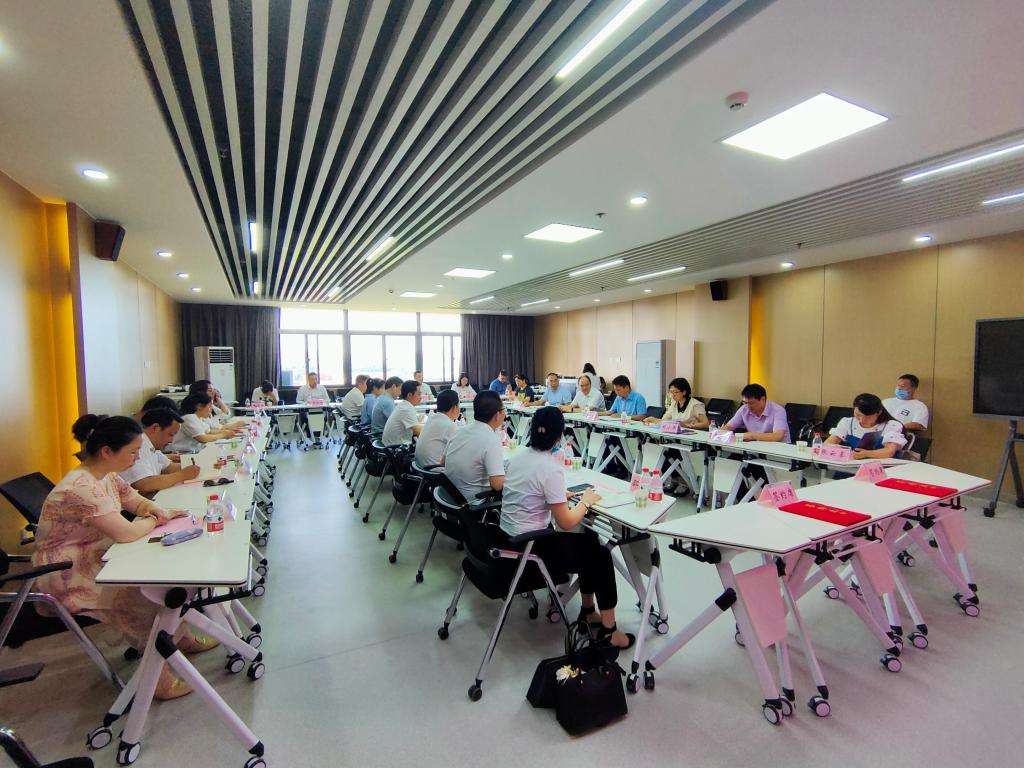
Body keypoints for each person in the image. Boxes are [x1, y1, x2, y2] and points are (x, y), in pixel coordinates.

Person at [31, 415, 210, 701]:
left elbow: (134, 500)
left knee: (162, 579)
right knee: (150, 596)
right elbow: (126, 533)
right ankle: (158, 680)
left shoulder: (107, 475)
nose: (137, 458)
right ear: (107, 451)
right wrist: (156, 519)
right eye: (133, 452)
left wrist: (154, 510)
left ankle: (180, 639)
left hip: (97, 553)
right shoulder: (80, 487)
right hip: (67, 571)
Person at [500, 406, 634, 649]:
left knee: (589, 539)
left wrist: (559, 496)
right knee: (601, 555)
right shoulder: (550, 468)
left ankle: (588, 611)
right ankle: (609, 631)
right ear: (560, 435)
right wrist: (586, 501)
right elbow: (567, 522)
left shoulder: (517, 458)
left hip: (510, 539)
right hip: (532, 548)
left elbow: (529, 493)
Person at [443, 390, 506, 501]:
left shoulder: (459, 431)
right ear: (497, 414)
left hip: (449, 496)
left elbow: (443, 462)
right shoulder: (491, 439)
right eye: (503, 409)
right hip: (472, 502)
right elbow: (497, 485)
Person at [120, 408, 201, 493]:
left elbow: (168, 467)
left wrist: (199, 466)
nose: (171, 441)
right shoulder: (138, 446)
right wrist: (183, 475)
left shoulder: (152, 446)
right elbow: (144, 484)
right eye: (170, 434)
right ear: (155, 428)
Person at [826, 393, 907, 459]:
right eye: (858, 415)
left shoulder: (891, 425)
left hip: (882, 467)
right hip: (851, 464)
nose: (861, 420)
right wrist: (839, 449)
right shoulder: (847, 422)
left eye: (868, 417)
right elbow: (829, 442)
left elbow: (889, 451)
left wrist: (866, 454)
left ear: (879, 412)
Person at [169, 393, 237, 453]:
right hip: (179, 453)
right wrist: (223, 434)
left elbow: (209, 431)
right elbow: (203, 438)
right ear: (199, 406)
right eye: (209, 406)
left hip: (190, 451)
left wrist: (227, 432)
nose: (211, 409)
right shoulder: (189, 417)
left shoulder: (198, 417)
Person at [722, 384, 790, 442]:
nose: (748, 406)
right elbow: (729, 427)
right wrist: (719, 432)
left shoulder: (778, 411)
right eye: (745, 402)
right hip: (755, 447)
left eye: (751, 403)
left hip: (779, 449)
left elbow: (778, 436)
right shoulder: (744, 408)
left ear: (762, 399)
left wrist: (751, 435)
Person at [415, 389, 461, 467]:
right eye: (459, 405)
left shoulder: (431, 419)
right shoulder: (449, 425)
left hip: (421, 467)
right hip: (435, 470)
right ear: (454, 407)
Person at [644, 377, 709, 429]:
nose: (672, 395)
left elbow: (706, 424)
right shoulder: (674, 404)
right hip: (677, 435)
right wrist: (652, 419)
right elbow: (664, 421)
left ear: (684, 392)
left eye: (675, 392)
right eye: (671, 392)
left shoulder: (695, 405)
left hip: (692, 436)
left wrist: (687, 425)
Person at [382, 380, 424, 446]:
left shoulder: (404, 405)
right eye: (419, 394)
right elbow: (419, 432)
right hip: (396, 448)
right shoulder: (406, 409)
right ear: (409, 395)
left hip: (392, 445)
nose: (421, 397)